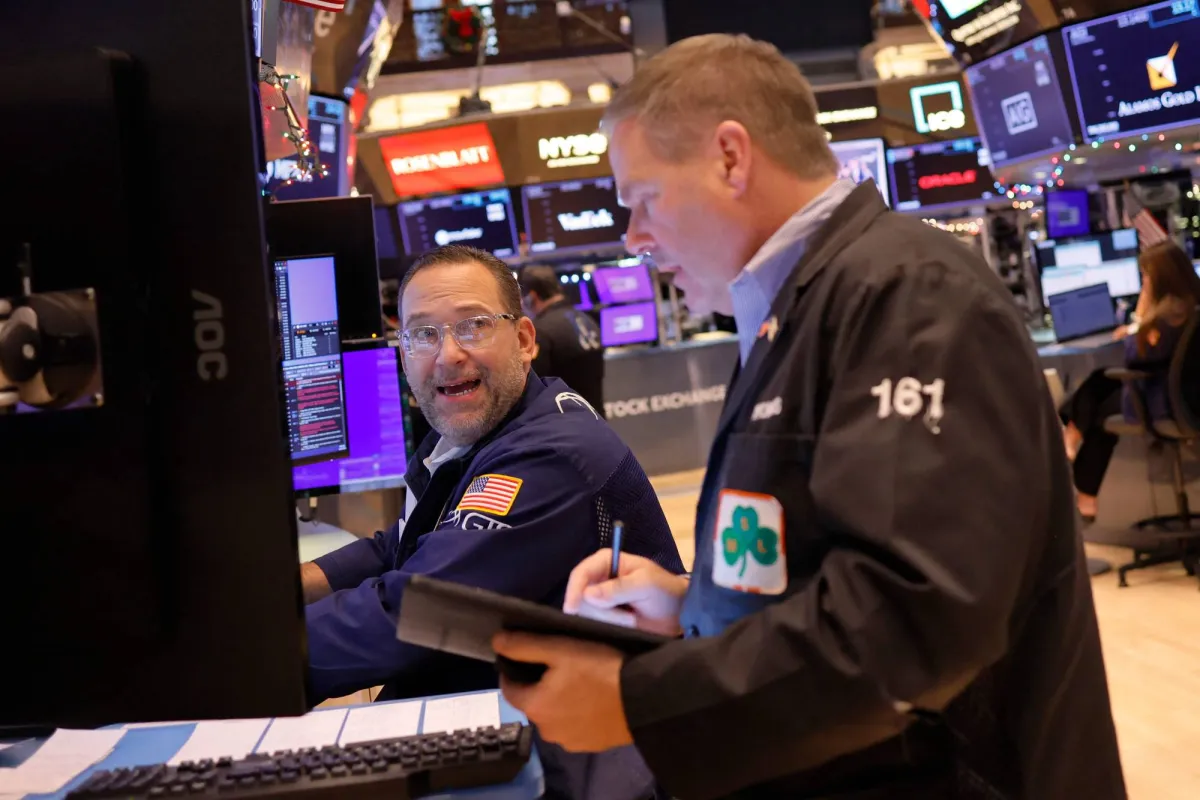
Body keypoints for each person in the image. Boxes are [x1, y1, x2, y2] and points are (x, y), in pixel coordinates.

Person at [491, 34, 1126, 799]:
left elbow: (907, 617)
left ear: (731, 158)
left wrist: (642, 702)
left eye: (644, 198)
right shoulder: (794, 308)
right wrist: (693, 602)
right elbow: (815, 555)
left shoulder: (909, 294)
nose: (635, 237)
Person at [301, 244, 683, 709]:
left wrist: (252, 652)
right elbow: (400, 543)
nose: (448, 355)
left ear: (523, 340)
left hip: (568, 735)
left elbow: (412, 613)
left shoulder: (549, 456)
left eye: (474, 325)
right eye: (422, 334)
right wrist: (289, 587)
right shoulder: (477, 433)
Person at [1061, 240, 1200, 519]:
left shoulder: (1169, 314)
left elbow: (1135, 358)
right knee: (1101, 379)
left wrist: (1140, 316)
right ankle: (1073, 434)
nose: (1144, 282)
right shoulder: (1187, 306)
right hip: (1185, 396)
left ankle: (1081, 475)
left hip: (1168, 404)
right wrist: (1140, 328)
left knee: (1101, 410)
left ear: (1160, 277)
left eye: (1146, 276)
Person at [520, 265, 606, 415]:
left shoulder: (541, 331)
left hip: (564, 421)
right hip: (595, 418)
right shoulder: (586, 319)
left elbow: (529, 385)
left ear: (532, 296)